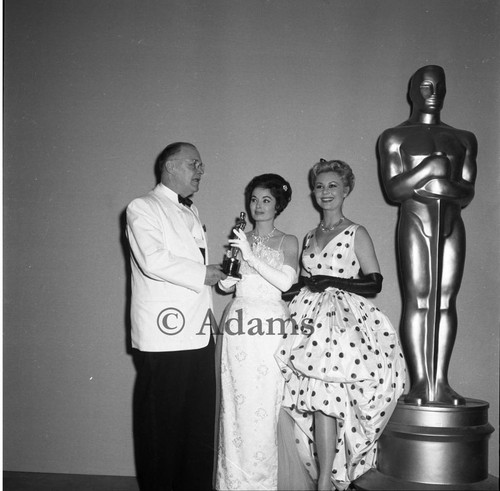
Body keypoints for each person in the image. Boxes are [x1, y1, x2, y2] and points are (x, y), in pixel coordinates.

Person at [276, 159, 406, 491]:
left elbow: (374, 283)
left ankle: (329, 478)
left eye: (332, 185)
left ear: (346, 190)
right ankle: (325, 478)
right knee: (317, 399)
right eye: (320, 186)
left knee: (331, 398)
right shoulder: (309, 235)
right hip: (308, 321)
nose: (325, 192)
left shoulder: (355, 232)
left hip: (343, 324)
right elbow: (302, 282)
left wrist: (331, 281)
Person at [126, 142, 226, 490]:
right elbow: (153, 261)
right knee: (162, 430)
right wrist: (205, 273)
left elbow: (198, 269)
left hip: (198, 334)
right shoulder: (143, 207)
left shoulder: (192, 211)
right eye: (193, 164)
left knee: (197, 427)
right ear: (169, 166)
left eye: (201, 164)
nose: (200, 170)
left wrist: (223, 274)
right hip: (163, 335)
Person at [378, 65, 477, 406]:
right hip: (416, 222)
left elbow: (466, 192)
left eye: (438, 85)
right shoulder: (395, 137)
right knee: (419, 300)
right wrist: (428, 170)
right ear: (412, 91)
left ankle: (441, 381)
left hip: (450, 223)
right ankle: (421, 381)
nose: (431, 92)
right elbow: (394, 189)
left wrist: (436, 183)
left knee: (446, 300)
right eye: (424, 86)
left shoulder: (463, 138)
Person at [215, 174, 299, 491]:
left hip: (269, 329)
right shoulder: (242, 238)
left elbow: (286, 283)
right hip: (239, 328)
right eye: (254, 199)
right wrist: (231, 268)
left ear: (278, 204)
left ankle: (263, 484)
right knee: (235, 406)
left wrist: (249, 256)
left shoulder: (288, 240)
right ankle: (233, 482)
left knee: (265, 404)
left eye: (266, 200)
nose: (258, 206)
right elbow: (226, 285)